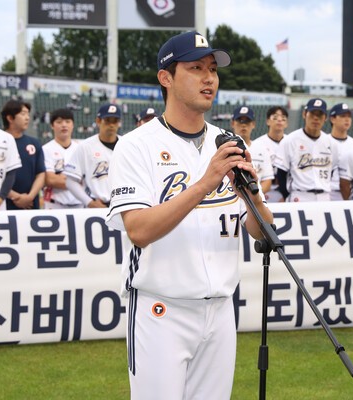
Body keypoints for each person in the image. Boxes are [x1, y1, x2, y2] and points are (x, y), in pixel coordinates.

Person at [105, 31, 273, 400]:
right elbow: (139, 230)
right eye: (196, 68)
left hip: (221, 308)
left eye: (213, 69)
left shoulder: (228, 142)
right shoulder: (135, 145)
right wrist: (205, 183)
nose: (209, 78)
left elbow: (263, 231)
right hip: (161, 309)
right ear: (166, 77)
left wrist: (252, 197)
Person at [274, 98, 338, 202]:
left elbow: (331, 171)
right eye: (312, 114)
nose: (316, 118)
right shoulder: (290, 140)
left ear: (325, 118)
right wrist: (286, 195)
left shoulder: (331, 143)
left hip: (324, 196)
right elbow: (281, 174)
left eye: (320, 115)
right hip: (300, 195)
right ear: (304, 114)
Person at [64, 103, 121, 208]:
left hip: (123, 205)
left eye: (115, 121)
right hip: (97, 205)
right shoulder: (85, 146)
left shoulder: (126, 144)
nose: (111, 125)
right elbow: (70, 181)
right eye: (107, 120)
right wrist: (89, 202)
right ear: (98, 121)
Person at [0, 99, 46, 210]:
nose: (27, 118)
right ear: (10, 118)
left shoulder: (34, 143)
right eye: (23, 114)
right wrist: (15, 197)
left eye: (28, 114)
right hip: (3, 203)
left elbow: (41, 174)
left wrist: (30, 197)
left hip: (31, 204)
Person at [42, 108, 84, 209]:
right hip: (54, 205)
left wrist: (60, 178)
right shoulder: (45, 149)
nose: (64, 125)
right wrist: (76, 180)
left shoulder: (81, 149)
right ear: (52, 125)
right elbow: (50, 179)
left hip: (80, 205)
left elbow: (87, 180)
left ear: (73, 125)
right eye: (59, 122)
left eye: (68, 121)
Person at [230, 105, 274, 193]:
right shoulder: (225, 148)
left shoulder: (262, 149)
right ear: (233, 123)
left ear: (253, 124)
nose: (243, 125)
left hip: (255, 196)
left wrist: (254, 195)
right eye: (239, 120)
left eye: (247, 121)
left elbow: (267, 180)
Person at [250, 105, 288, 202]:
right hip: (265, 190)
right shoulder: (258, 143)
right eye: (275, 117)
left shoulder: (291, 142)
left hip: (286, 191)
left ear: (286, 123)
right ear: (267, 121)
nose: (279, 120)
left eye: (283, 118)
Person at [328, 103, 353, 201]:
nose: (347, 119)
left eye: (349, 116)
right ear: (333, 119)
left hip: (349, 192)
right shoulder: (323, 142)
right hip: (328, 192)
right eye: (343, 116)